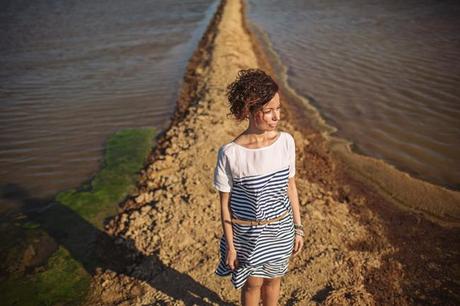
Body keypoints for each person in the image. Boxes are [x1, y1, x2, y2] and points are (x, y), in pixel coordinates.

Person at [213, 68, 304, 305]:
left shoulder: (286, 142)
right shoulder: (230, 154)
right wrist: (231, 247)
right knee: (252, 285)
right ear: (251, 111)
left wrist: (298, 227)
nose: (276, 117)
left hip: (281, 230)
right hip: (248, 236)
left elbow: (290, 187)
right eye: (268, 111)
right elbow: (225, 207)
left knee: (274, 281)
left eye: (278, 109)